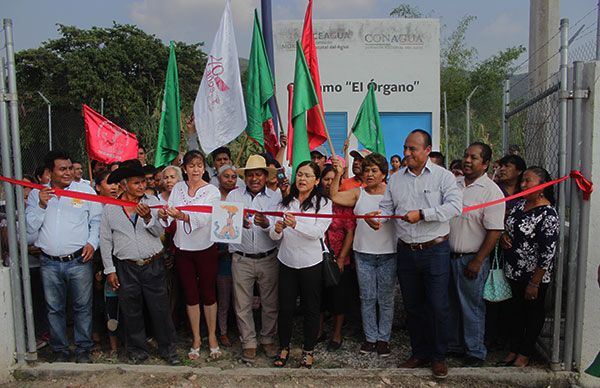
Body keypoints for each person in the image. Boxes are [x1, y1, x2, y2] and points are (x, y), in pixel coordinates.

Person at [366, 129, 462, 379]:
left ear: (427, 150)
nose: (406, 153)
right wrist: (377, 219)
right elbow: (387, 208)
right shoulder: (397, 179)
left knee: (439, 306)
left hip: (435, 250)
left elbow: (454, 207)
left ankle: (439, 356)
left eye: (412, 149)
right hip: (407, 251)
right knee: (413, 306)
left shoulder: (444, 177)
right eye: (406, 148)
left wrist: (423, 214)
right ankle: (419, 352)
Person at [100, 160, 180, 365]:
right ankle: (137, 351)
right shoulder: (111, 208)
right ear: (124, 185)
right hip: (126, 267)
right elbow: (105, 240)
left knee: (160, 309)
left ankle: (169, 350)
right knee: (131, 310)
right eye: (136, 183)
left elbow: (159, 232)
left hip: (153, 264)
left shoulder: (152, 202)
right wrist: (109, 269)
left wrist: (147, 219)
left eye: (143, 182)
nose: (142, 186)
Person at [26, 150, 102, 363]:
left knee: (82, 307)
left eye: (70, 168)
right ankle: (59, 350)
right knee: (54, 309)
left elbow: (96, 221)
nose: (68, 172)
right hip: (49, 262)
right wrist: (41, 205)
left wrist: (92, 243)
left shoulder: (85, 191)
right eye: (63, 169)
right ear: (50, 172)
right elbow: (29, 232)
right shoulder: (36, 194)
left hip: (79, 260)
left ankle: (83, 350)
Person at [158, 150, 222, 360]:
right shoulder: (177, 188)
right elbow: (169, 213)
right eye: (191, 165)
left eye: (199, 165)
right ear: (184, 169)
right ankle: (196, 338)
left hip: (205, 248)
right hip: (183, 248)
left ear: (204, 168)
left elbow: (205, 218)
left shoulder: (212, 191)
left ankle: (212, 337)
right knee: (190, 295)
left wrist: (182, 215)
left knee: (208, 293)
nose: (196, 169)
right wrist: (164, 215)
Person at [331, 153, 396, 356]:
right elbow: (334, 196)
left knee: (385, 299)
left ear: (383, 174)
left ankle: (384, 339)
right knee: (367, 297)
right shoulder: (358, 193)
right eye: (366, 170)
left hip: (389, 253)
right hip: (363, 253)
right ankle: (370, 338)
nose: (369, 174)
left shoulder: (393, 194)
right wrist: (338, 174)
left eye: (374, 170)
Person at [270, 161, 332, 368]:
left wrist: (295, 223)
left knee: (311, 309)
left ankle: (308, 349)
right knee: (286, 308)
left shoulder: (323, 204)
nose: (302, 179)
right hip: (287, 261)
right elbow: (273, 235)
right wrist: (277, 229)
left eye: (307, 175)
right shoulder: (285, 202)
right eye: (299, 174)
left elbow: (317, 233)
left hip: (310, 263)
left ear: (316, 180)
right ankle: (284, 347)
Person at [447, 143, 505, 367]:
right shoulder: (455, 184)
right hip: (449, 257)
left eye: (474, 157)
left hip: (471, 260)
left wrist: (478, 260)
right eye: (465, 155)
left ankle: (474, 351)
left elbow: (494, 232)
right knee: (451, 304)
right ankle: (454, 345)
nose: (467, 160)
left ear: (486, 163)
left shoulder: (491, 192)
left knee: (472, 307)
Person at [499, 167, 559, 368]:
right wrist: (503, 237)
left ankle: (525, 353)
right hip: (514, 272)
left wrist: (535, 282)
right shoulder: (519, 205)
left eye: (528, 181)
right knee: (515, 312)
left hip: (534, 276)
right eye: (522, 181)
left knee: (532, 313)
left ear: (541, 186)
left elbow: (547, 252)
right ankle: (514, 348)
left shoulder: (547, 214)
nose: (522, 185)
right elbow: (507, 228)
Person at [226, 155, 281, 363]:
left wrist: (266, 223)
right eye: (250, 175)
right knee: (242, 303)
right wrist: (237, 223)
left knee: (270, 302)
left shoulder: (275, 198)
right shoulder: (233, 196)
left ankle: (267, 339)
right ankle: (248, 341)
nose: (254, 178)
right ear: (245, 177)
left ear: (266, 176)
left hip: (268, 257)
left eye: (258, 174)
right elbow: (224, 227)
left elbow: (278, 230)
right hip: (241, 258)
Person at [318, 164, 356, 352]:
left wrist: (342, 257)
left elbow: (350, 232)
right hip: (315, 257)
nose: (329, 183)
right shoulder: (314, 201)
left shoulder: (343, 203)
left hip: (339, 257)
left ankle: (337, 333)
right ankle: (318, 331)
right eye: (326, 179)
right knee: (317, 296)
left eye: (334, 179)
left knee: (338, 297)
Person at [216, 164, 238, 348]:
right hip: (220, 255)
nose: (230, 179)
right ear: (218, 177)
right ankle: (222, 332)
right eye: (226, 176)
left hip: (240, 254)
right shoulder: (212, 198)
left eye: (233, 177)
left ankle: (239, 330)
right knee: (223, 298)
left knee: (240, 299)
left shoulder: (240, 197)